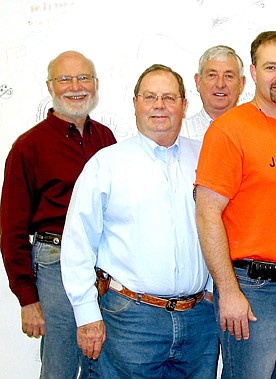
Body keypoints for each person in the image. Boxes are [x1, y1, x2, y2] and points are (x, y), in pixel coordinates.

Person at [60, 64, 219, 378]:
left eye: (169, 97)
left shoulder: (207, 158)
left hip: (199, 322)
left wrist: (214, 286)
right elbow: (78, 243)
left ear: (184, 106)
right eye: (150, 97)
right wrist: (86, 314)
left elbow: (224, 224)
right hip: (130, 321)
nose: (159, 105)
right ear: (135, 103)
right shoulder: (107, 164)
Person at [195, 31, 276, 379]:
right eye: (271, 67)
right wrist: (228, 291)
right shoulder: (229, 130)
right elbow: (207, 212)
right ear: (253, 72)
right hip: (253, 290)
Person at [0, 50, 116, 378]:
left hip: (104, 265)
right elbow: (11, 229)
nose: (75, 86)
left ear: (95, 85)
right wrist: (27, 299)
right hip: (55, 264)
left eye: (83, 78)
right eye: (65, 79)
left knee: (105, 362)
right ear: (50, 86)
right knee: (61, 366)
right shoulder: (29, 146)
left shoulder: (106, 139)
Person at [180, 45, 246, 142]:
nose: (220, 84)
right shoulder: (180, 134)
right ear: (198, 82)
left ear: (241, 84)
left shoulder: (256, 132)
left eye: (229, 76)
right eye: (212, 75)